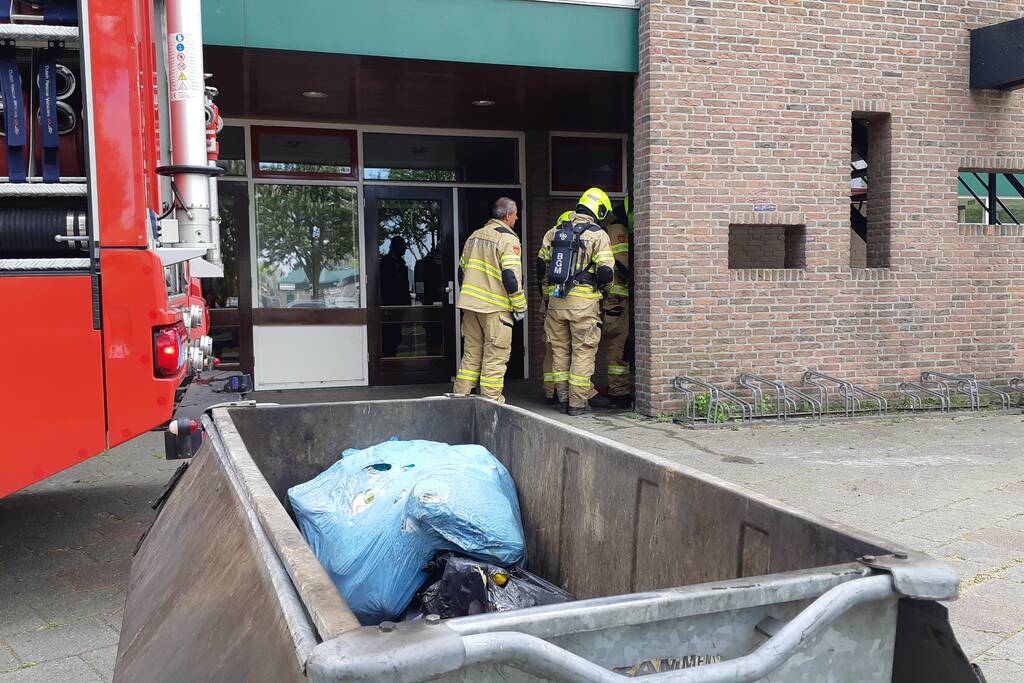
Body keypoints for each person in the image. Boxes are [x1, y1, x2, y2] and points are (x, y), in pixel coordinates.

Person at [538, 188, 615, 416]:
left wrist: (547, 296)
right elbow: (605, 273)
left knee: (560, 352)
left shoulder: (554, 232)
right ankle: (577, 404)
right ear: (599, 210)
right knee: (583, 352)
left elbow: (541, 267)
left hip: (556, 302)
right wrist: (605, 292)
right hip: (584, 304)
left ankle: (563, 400)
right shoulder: (598, 235)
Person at [452, 197, 527, 403]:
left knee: (471, 356)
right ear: (507, 215)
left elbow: (461, 272)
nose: (517, 218)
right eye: (515, 214)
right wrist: (520, 306)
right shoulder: (508, 239)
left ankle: (460, 399)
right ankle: (490, 404)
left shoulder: (474, 236)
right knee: (495, 357)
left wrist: (471, 297)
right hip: (496, 309)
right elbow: (511, 277)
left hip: (471, 308)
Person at [594, 204, 632, 408]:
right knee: (618, 345)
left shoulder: (607, 230)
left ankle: (617, 389)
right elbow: (622, 264)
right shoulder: (618, 230)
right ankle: (619, 392)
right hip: (617, 299)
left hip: (612, 298)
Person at [539, 210, 573, 404]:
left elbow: (540, 269)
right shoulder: (576, 237)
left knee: (552, 348)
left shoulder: (550, 237)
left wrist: (545, 298)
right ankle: (569, 394)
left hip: (551, 301)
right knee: (570, 349)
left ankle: (550, 391)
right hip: (571, 301)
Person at [379, 236, 410, 357]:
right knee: (389, 336)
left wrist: (407, 303)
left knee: (396, 335)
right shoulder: (385, 263)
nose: (405, 250)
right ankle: (389, 358)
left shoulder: (401, 264)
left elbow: (404, 286)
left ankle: (392, 357)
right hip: (388, 306)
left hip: (398, 305)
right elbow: (384, 285)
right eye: (403, 247)